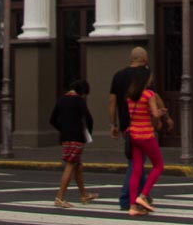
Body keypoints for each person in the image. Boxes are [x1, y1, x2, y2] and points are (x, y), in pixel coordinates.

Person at [110, 46, 149, 211]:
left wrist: (113, 124)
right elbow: (152, 98)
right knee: (136, 162)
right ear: (144, 60)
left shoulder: (118, 76)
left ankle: (143, 194)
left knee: (137, 160)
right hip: (143, 124)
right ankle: (126, 198)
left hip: (126, 125)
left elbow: (112, 102)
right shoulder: (146, 75)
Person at [125, 67, 169, 215]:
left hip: (133, 135)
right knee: (158, 165)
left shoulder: (130, 96)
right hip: (146, 135)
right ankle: (143, 196)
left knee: (136, 170)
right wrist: (161, 113)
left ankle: (132, 206)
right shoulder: (148, 94)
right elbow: (155, 114)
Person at [49, 79, 98, 209]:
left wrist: (63, 128)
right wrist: (88, 133)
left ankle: (84, 194)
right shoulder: (79, 101)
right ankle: (59, 197)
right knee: (71, 164)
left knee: (77, 165)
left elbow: (52, 119)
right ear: (82, 92)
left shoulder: (61, 100)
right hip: (77, 136)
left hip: (65, 137)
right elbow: (88, 118)